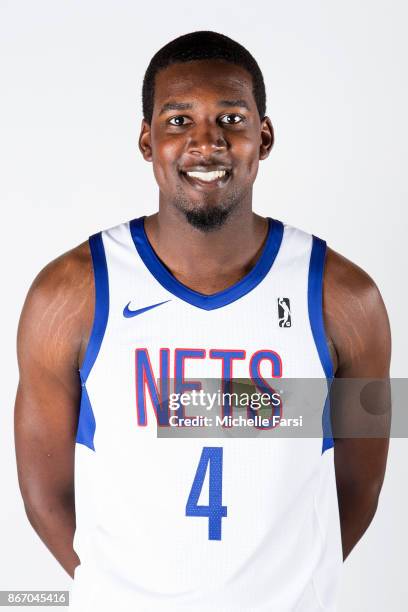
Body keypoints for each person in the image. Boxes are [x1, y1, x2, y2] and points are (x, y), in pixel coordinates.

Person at [14, 31, 391, 611]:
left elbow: (360, 485)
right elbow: (45, 493)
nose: (206, 142)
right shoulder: (68, 295)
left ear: (263, 138)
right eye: (178, 120)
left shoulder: (348, 298)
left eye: (231, 118)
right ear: (147, 140)